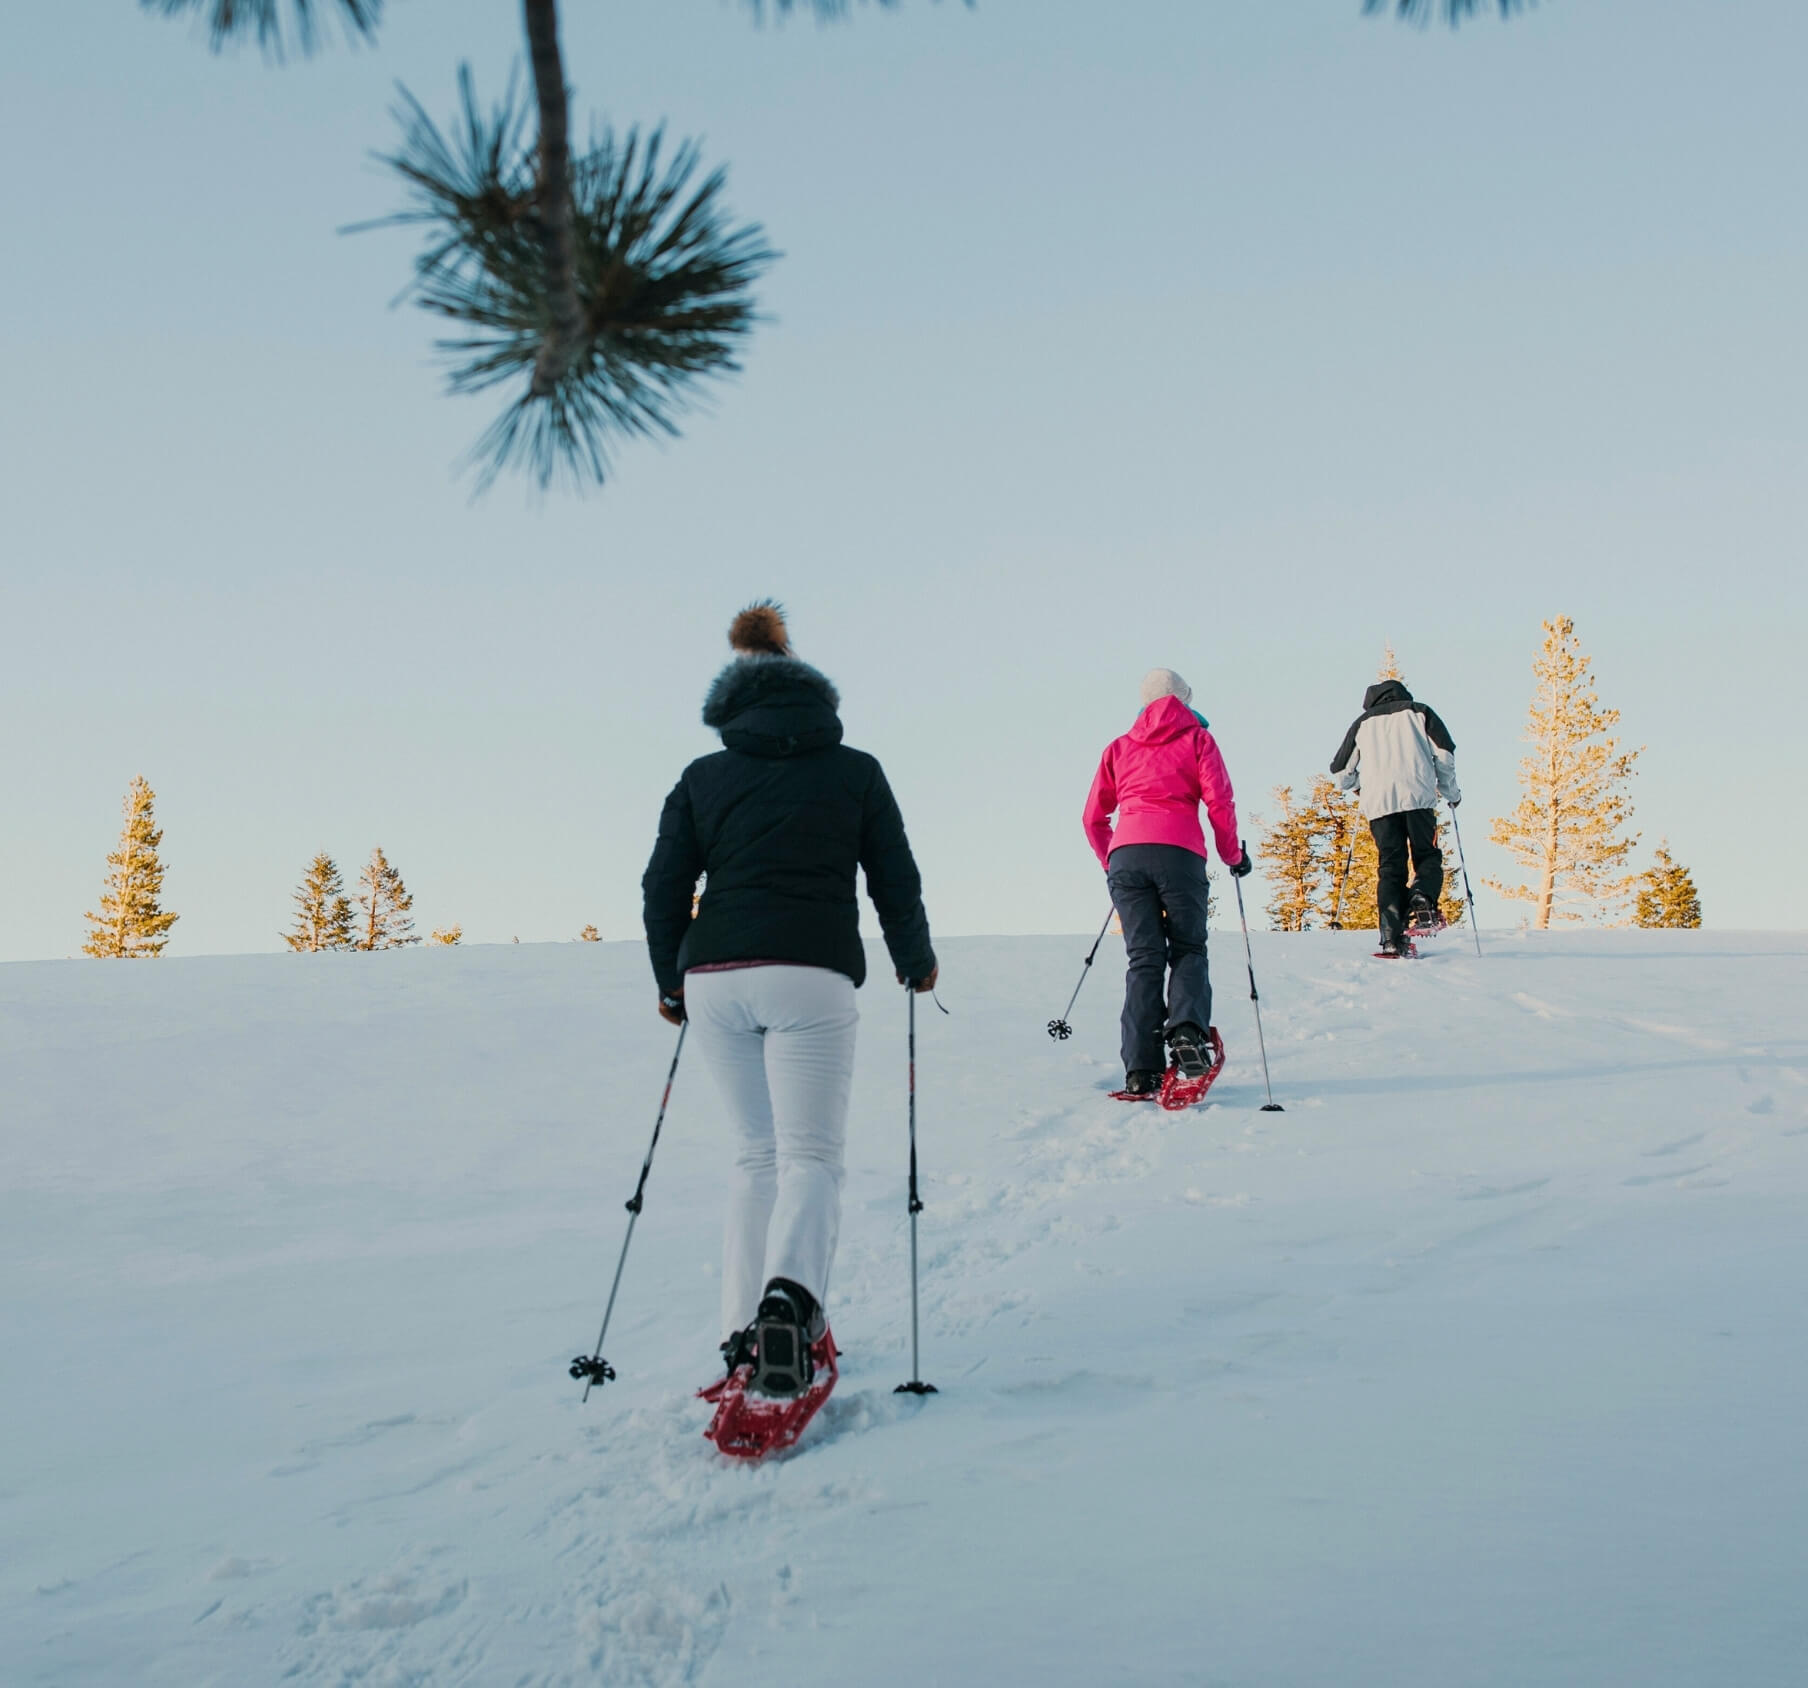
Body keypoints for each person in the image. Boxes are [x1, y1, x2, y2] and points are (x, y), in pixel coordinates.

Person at [642, 602, 938, 1399]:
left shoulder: (703, 776)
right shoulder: (856, 770)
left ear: (731, 704)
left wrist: (672, 979)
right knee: (809, 1157)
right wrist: (916, 961)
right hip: (810, 974)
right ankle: (789, 1310)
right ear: (817, 698)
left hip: (714, 979)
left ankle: (745, 1332)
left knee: (755, 1156)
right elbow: (893, 877)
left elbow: (663, 884)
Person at [1082, 668, 1249, 1097]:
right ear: (1184, 700)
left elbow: (1092, 817)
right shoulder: (1197, 739)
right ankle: (1188, 1034)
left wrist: (1111, 859)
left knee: (1144, 959)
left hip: (1127, 856)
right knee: (1189, 947)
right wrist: (1233, 855)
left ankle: (1141, 1069)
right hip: (1180, 852)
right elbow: (1219, 801)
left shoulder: (1118, 748)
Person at [1329, 677, 1462, 956]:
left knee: (1390, 866)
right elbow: (1445, 753)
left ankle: (1391, 937)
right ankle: (1423, 899)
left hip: (1380, 804)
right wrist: (1451, 793)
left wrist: (1360, 789)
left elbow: (1341, 772)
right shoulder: (1421, 712)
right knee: (1426, 854)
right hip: (1418, 796)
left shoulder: (1362, 723)